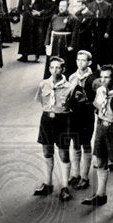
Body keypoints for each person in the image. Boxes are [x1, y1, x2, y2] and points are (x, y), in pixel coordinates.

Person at [81, 64, 113, 217]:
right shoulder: (101, 90)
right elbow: (96, 106)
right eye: (101, 77)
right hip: (100, 126)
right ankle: (101, 195)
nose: (103, 80)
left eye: (107, 77)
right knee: (100, 161)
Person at [33, 56, 73, 202]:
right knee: (47, 151)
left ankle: (64, 186)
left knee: (63, 153)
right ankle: (48, 183)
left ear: (63, 70)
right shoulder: (43, 84)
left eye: (58, 68)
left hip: (63, 121)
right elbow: (41, 101)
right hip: (46, 120)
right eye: (52, 67)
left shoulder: (70, 87)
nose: (55, 70)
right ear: (49, 69)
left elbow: (72, 107)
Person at [66, 50, 97, 191]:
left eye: (83, 60)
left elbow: (98, 100)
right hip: (74, 115)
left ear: (89, 62)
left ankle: (85, 177)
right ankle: (75, 174)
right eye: (78, 60)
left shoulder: (94, 79)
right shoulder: (72, 77)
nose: (80, 63)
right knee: (75, 143)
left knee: (85, 144)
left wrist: (88, 101)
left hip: (86, 115)